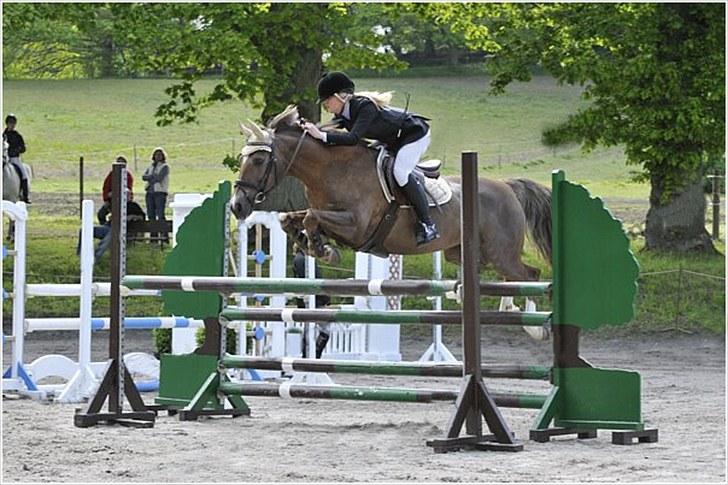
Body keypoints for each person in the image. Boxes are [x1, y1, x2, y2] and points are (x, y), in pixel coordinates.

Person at [301, 72, 439, 245]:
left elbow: (353, 139)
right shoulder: (344, 114)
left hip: (414, 134)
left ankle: (428, 224)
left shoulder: (365, 107)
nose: (326, 105)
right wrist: (309, 130)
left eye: (327, 100)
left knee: (400, 172)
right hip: (393, 140)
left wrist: (320, 135)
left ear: (340, 96)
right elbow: (328, 132)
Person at [77, 199, 145, 263]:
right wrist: (105, 207)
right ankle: (80, 256)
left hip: (121, 230)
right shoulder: (115, 203)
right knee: (83, 230)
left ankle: (95, 257)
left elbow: (142, 217)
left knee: (112, 234)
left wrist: (131, 216)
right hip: (108, 226)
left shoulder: (133, 205)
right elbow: (101, 215)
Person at [293, 247, 331, 358]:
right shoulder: (304, 259)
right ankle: (314, 355)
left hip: (308, 299)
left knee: (310, 329)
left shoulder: (300, 259)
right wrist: (325, 298)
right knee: (324, 330)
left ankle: (309, 356)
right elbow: (317, 279)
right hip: (315, 300)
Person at [142, 147, 170, 243]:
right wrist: (151, 177)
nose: (157, 157)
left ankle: (164, 237)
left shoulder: (164, 167)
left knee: (160, 215)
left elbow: (159, 178)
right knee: (151, 215)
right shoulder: (150, 167)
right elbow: (143, 177)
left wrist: (150, 178)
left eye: (159, 155)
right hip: (149, 193)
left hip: (160, 193)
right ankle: (153, 238)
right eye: (156, 155)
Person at [98, 156, 135, 225]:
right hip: (111, 201)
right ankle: (105, 227)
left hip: (123, 202)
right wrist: (106, 199)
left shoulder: (128, 176)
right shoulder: (111, 175)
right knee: (101, 214)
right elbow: (105, 187)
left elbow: (129, 190)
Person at [3, 114, 31, 203]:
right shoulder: (3, 135)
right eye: (10, 123)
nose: (12, 125)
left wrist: (16, 150)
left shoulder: (17, 136)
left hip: (15, 159)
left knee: (24, 175)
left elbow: (23, 148)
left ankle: (25, 195)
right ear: (7, 124)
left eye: (13, 123)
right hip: (5, 158)